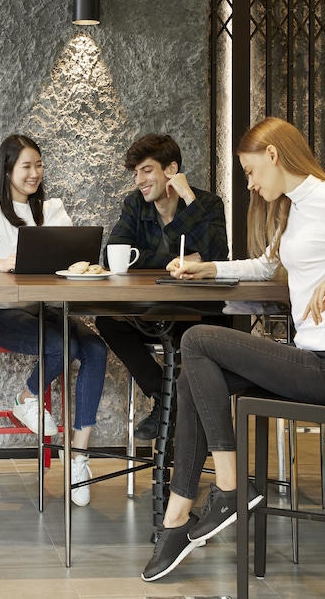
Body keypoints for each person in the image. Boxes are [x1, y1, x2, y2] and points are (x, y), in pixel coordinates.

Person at [140, 117, 325, 582]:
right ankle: (176, 520)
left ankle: (228, 488)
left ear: (273, 155)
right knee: (193, 374)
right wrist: (210, 270)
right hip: (313, 359)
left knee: (198, 338)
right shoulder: (294, 208)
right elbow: (270, 267)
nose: (249, 182)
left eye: (250, 171)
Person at [0, 134, 108, 507]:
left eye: (39, 165)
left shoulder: (52, 210)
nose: (35, 173)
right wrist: (2, 262)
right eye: (26, 166)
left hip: (45, 309)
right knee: (62, 344)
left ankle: (78, 457)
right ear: (8, 169)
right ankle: (26, 398)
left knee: (94, 348)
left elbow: (69, 256)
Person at [95, 133, 228, 440]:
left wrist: (190, 203)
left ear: (171, 170)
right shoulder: (136, 206)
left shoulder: (207, 203)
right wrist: (177, 259)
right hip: (152, 313)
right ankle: (168, 400)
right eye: (136, 172)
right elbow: (114, 254)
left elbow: (218, 256)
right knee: (108, 322)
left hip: (199, 314)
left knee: (206, 335)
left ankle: (179, 410)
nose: (139, 180)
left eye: (146, 170)